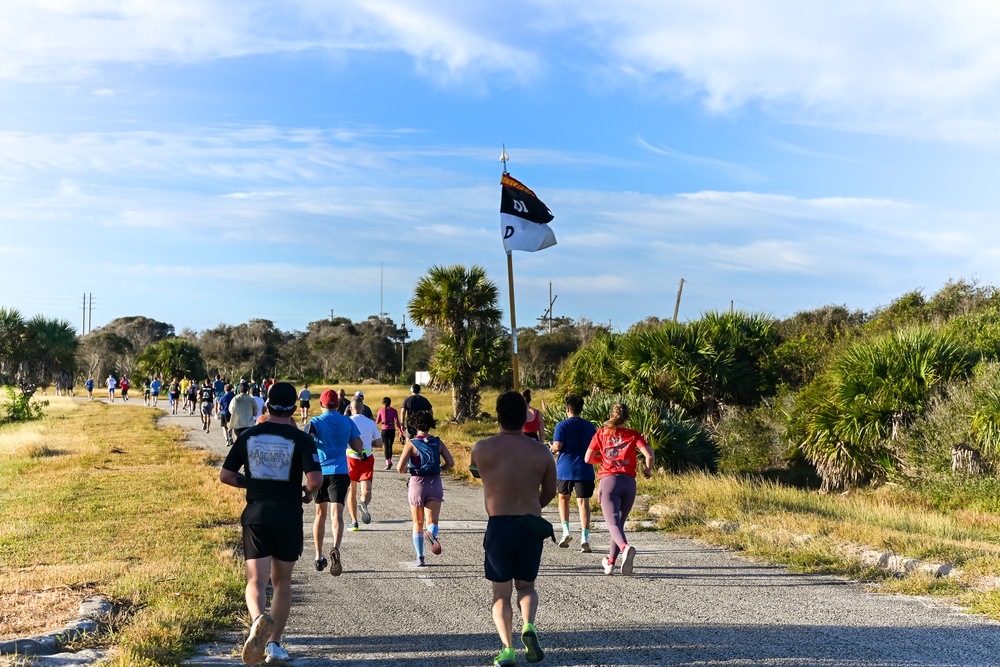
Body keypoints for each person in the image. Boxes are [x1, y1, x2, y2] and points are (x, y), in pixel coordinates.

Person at [219, 382, 323, 665]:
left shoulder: (248, 436)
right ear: (294, 408)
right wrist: (308, 494)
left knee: (255, 580)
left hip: (256, 515)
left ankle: (257, 621)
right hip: (287, 516)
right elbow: (314, 480)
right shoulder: (301, 439)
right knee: (282, 582)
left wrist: (251, 483)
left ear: (266, 405)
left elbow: (226, 476)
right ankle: (274, 644)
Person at [470, 391, 557, 666]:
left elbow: (476, 472)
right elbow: (551, 491)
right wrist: (534, 508)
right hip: (530, 524)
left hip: (500, 524)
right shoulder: (542, 451)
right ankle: (528, 627)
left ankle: (507, 650)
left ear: (498, 416)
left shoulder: (481, 448)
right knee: (527, 586)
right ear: (526, 417)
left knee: (500, 593)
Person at [584, 402, 655, 576]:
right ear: (626, 418)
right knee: (618, 526)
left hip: (610, 482)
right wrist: (647, 469)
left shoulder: (601, 433)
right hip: (629, 483)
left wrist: (603, 459)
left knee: (612, 524)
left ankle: (625, 548)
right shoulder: (633, 434)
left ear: (611, 416)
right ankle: (611, 562)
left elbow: (588, 458)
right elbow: (649, 454)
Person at [306, 390, 363, 575]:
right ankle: (336, 548)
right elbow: (358, 445)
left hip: (320, 471)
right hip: (340, 472)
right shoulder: (347, 421)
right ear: (338, 405)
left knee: (319, 515)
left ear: (321, 405)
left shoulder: (315, 421)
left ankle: (318, 556)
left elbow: (309, 440)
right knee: (336, 514)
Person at [396, 410, 454, 567]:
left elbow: (400, 468)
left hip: (417, 483)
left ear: (415, 425)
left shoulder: (412, 443)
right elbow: (450, 463)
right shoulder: (438, 442)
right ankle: (431, 534)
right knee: (432, 521)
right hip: (435, 482)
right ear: (431, 424)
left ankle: (420, 557)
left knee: (417, 522)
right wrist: (439, 469)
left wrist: (410, 469)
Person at [550, 394, 597, 552]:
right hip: (584, 468)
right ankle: (585, 537)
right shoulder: (590, 426)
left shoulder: (561, 426)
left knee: (563, 498)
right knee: (583, 503)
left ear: (567, 409)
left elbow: (557, 446)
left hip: (565, 469)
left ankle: (566, 532)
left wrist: (551, 447)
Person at [346, 395, 383, 531]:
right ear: (363, 408)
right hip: (367, 457)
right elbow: (379, 443)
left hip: (351, 457)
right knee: (366, 490)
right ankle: (363, 503)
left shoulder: (347, 421)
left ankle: (354, 522)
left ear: (351, 408)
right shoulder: (370, 422)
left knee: (352, 491)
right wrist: (368, 443)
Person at [376, 396, 403, 470]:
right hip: (392, 430)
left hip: (384, 430)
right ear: (390, 403)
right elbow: (397, 422)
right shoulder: (394, 411)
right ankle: (390, 460)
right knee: (390, 446)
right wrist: (400, 431)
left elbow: (377, 421)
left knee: (386, 446)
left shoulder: (380, 410)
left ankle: (387, 462)